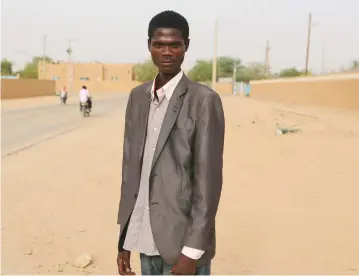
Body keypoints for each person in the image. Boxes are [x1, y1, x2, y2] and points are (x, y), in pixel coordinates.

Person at [117, 10, 225, 275]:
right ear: (149, 46)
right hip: (144, 238)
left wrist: (192, 251)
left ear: (186, 47)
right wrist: (124, 239)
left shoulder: (203, 100)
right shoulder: (138, 97)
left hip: (181, 246)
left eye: (175, 45)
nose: (167, 52)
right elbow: (130, 171)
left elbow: (208, 182)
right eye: (159, 44)